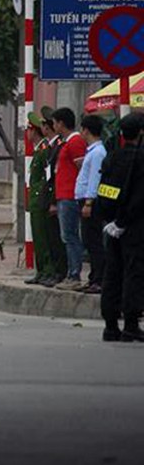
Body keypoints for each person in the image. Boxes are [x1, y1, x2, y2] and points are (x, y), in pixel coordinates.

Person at [97, 112, 144, 342]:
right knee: (133, 273)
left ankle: (110, 324)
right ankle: (131, 324)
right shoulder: (141, 159)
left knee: (112, 273)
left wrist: (110, 220)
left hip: (113, 226)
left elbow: (104, 192)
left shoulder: (112, 158)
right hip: (135, 227)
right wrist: (124, 221)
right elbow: (139, 198)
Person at [66, 114, 106, 294]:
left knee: (94, 241)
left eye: (82, 129)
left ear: (87, 130)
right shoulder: (92, 151)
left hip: (91, 201)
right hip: (84, 200)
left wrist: (89, 202)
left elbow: (94, 179)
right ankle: (93, 278)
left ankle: (99, 279)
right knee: (88, 241)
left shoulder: (98, 152)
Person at [49, 107, 87, 284]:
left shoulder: (75, 142)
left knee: (70, 236)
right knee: (67, 236)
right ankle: (71, 272)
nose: (53, 126)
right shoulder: (65, 142)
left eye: (55, 123)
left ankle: (74, 274)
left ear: (61, 123)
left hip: (71, 195)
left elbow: (82, 169)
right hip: (63, 195)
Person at [26, 112, 62, 286]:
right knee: (38, 236)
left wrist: (42, 198)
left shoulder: (44, 151)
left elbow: (45, 178)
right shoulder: (39, 150)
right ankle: (41, 271)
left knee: (43, 237)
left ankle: (48, 270)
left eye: (29, 130)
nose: (27, 134)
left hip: (41, 199)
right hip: (35, 199)